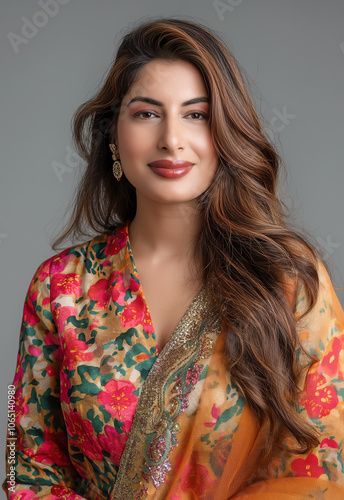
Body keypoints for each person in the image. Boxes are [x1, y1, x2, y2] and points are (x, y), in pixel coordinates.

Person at [3, 16, 344, 500]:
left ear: (225, 134)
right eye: (146, 114)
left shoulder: (288, 279)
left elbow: (323, 468)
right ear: (114, 135)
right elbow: (27, 470)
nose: (171, 139)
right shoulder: (61, 286)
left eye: (196, 115)